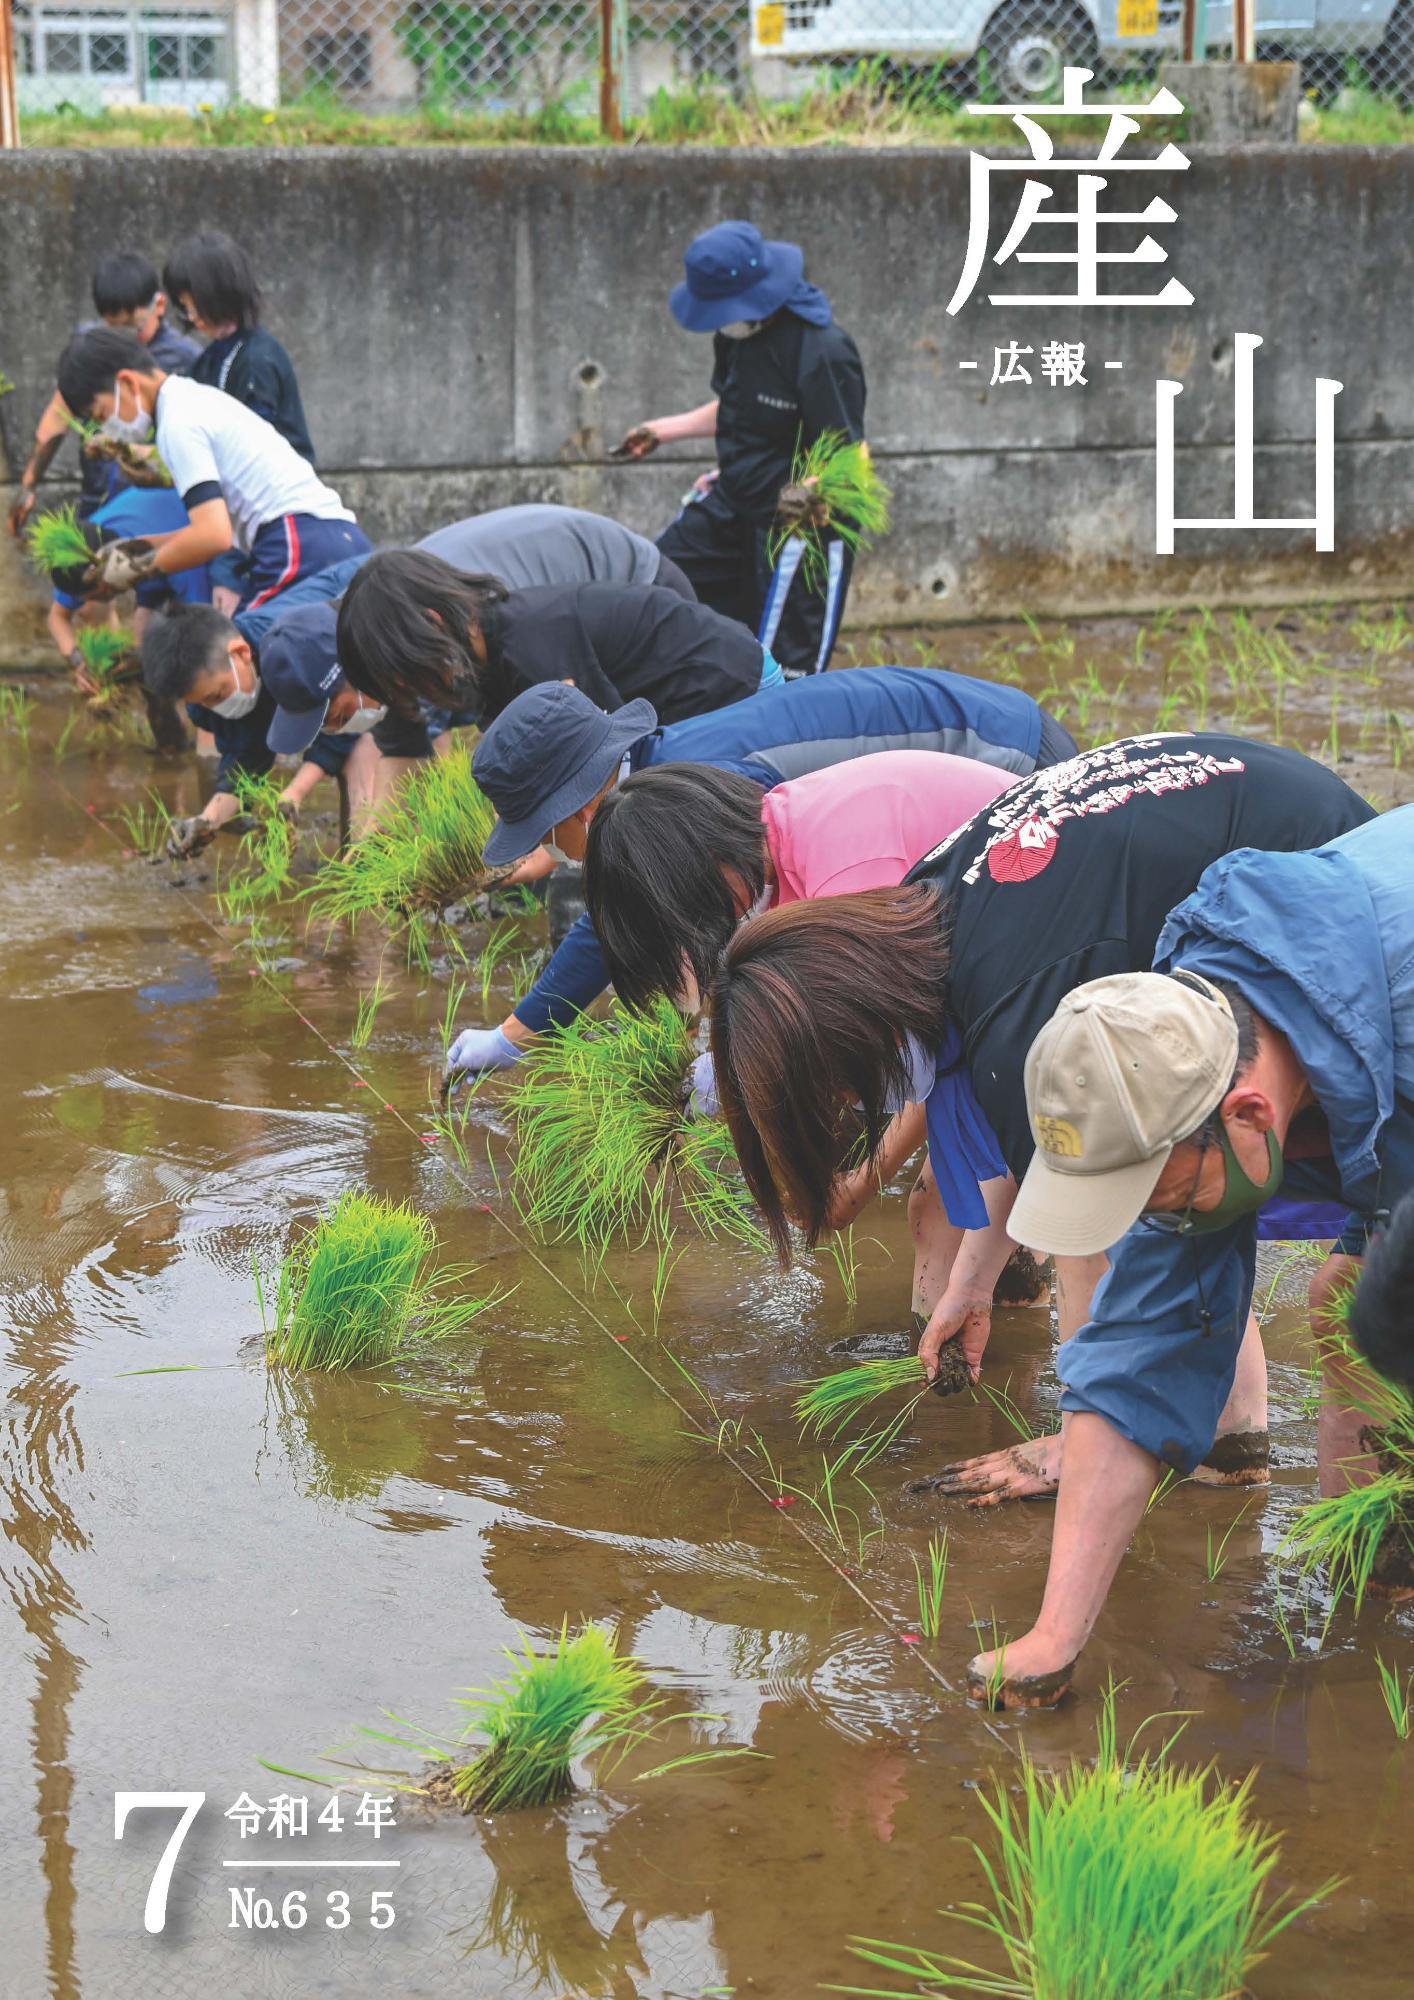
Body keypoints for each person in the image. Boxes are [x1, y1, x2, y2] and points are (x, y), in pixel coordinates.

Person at [706, 735, 1374, 1555]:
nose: (846, 1106)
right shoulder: (923, 919)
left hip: (1314, 879)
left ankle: (1234, 1448)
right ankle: (1228, 1447)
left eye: (832, 1090)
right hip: (1272, 810)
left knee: (1175, 1194)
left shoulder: (1013, 1009)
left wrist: (1074, 1441)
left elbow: (1090, 1235)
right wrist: (973, 1281)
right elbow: (1007, 1130)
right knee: (1171, 1180)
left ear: (845, 1035)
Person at [969, 804, 1414, 1709]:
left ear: (1250, 1115)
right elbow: (1140, 1355)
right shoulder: (1178, 1054)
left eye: (1158, 1196)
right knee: (1353, 1308)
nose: (1152, 1221)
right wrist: (1053, 1639)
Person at [444, 666, 1077, 1075]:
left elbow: (615, 926)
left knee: (979, 1004)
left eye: (546, 834)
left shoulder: (709, 787)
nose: (550, 853)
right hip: (949, 778)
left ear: (580, 807)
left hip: (1009, 758)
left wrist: (513, 1036)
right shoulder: (665, 777)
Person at [616, 220, 865, 678]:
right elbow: (740, 407)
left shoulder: (822, 349)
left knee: (779, 669)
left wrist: (808, 491)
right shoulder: (738, 335)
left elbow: (851, 455)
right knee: (657, 585)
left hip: (799, 524)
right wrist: (663, 431)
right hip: (735, 499)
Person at [53, 327, 371, 615]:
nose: (109, 425)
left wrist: (136, 569)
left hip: (297, 541)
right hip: (329, 536)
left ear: (127, 382)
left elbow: (212, 535)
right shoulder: (189, 398)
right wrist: (138, 548)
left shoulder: (177, 424)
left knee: (242, 653)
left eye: (103, 412)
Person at [334, 548, 780, 733]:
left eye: (407, 678)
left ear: (432, 625)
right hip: (683, 704)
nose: (416, 694)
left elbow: (608, 759)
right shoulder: (492, 664)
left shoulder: (534, 649)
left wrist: (543, 854)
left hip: (737, 689)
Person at [8, 250, 200, 541]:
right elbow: (59, 413)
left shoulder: (186, 360)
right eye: (112, 327)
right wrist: (29, 484)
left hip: (157, 507)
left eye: (131, 328)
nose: (120, 338)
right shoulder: (91, 347)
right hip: (97, 497)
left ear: (158, 306)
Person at [140, 599, 358, 857]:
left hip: (365, 645)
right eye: (201, 702)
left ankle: (363, 865)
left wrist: (296, 791)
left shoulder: (297, 654)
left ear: (242, 654)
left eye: (218, 694)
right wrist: (207, 820)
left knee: (362, 755)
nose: (214, 707)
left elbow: (347, 723)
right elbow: (246, 759)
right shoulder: (206, 702)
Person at [163, 232, 314, 462]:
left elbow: (255, 449)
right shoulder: (210, 359)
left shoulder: (256, 360)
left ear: (224, 297)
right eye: (185, 308)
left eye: (197, 307)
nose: (192, 318)